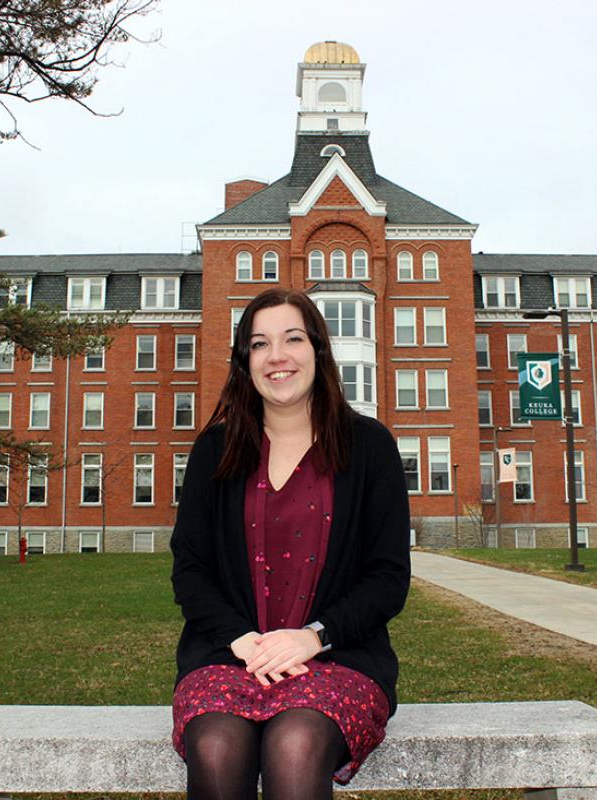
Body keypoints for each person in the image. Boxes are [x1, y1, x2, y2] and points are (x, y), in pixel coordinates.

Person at [170, 287, 411, 799]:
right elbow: (190, 569)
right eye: (259, 344)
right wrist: (241, 640)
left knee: (296, 742)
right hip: (228, 657)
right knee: (215, 746)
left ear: (318, 351)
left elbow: (388, 577)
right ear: (244, 362)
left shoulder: (369, 446)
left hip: (336, 659)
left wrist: (313, 636)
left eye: (292, 339)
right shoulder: (215, 449)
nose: (277, 356)